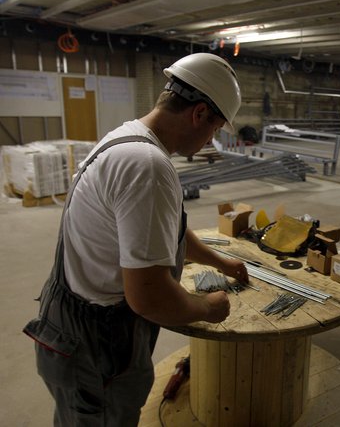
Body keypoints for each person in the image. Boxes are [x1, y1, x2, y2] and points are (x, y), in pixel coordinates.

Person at [23, 52, 249, 426]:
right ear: (199, 114)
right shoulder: (148, 167)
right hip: (97, 348)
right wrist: (209, 308)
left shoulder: (125, 138)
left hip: (69, 329)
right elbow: (150, 298)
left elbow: (157, 232)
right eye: (214, 129)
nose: (211, 140)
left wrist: (218, 262)